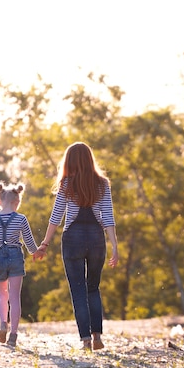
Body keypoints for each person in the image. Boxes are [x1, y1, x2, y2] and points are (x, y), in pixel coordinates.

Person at [35, 142, 118, 351]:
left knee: (78, 290)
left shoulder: (66, 184)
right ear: (90, 159)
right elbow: (108, 217)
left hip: (73, 239)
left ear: (69, 161)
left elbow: (56, 217)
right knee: (93, 288)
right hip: (97, 239)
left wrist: (44, 243)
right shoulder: (102, 184)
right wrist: (115, 246)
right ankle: (97, 336)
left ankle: (86, 340)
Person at [0, 182, 45, 347]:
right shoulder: (21, 219)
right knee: (14, 297)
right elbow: (29, 244)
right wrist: (38, 252)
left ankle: (3, 325)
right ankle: (13, 335)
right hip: (15, 257)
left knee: (2, 296)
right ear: (17, 202)